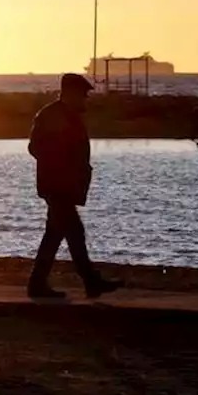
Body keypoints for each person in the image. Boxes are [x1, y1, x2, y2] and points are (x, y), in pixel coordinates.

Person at [26, 73, 122, 299]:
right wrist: (59, 163)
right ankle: (90, 281)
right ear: (71, 93)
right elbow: (35, 147)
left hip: (64, 184)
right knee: (73, 232)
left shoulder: (67, 115)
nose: (85, 99)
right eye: (82, 94)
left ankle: (38, 284)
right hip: (57, 185)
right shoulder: (53, 116)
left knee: (56, 234)